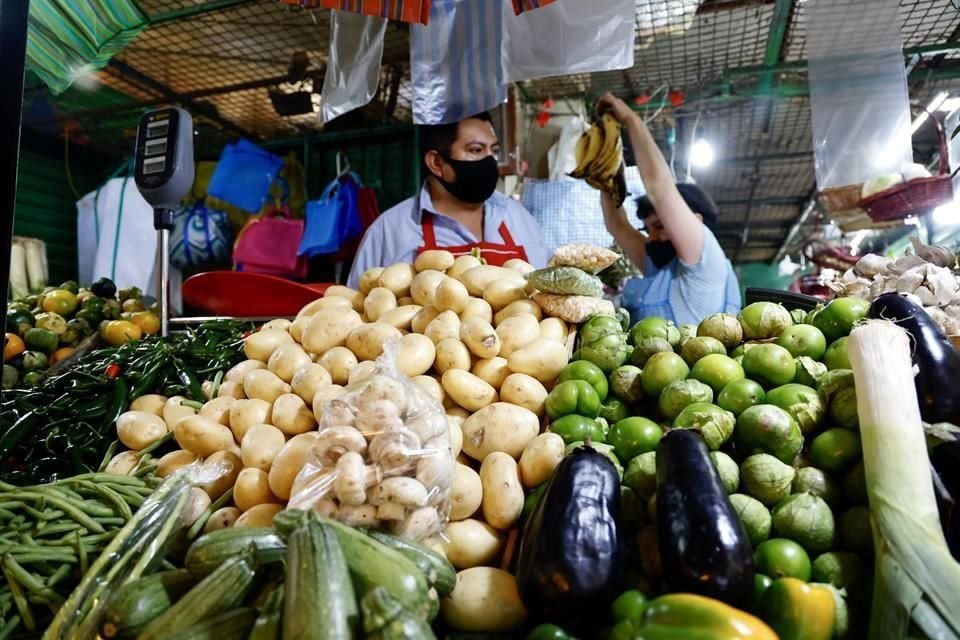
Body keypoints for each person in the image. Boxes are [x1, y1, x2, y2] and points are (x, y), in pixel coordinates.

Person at [347, 112, 550, 288]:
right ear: (436, 162)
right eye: (476, 150)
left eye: (494, 151)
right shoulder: (388, 231)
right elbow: (357, 314)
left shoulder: (518, 217)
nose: (489, 161)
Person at [595, 92, 741, 326]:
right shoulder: (660, 266)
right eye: (648, 228)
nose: (651, 238)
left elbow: (659, 188)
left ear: (694, 220)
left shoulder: (704, 258)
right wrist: (604, 172)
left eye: (660, 226)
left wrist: (631, 120)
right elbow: (617, 225)